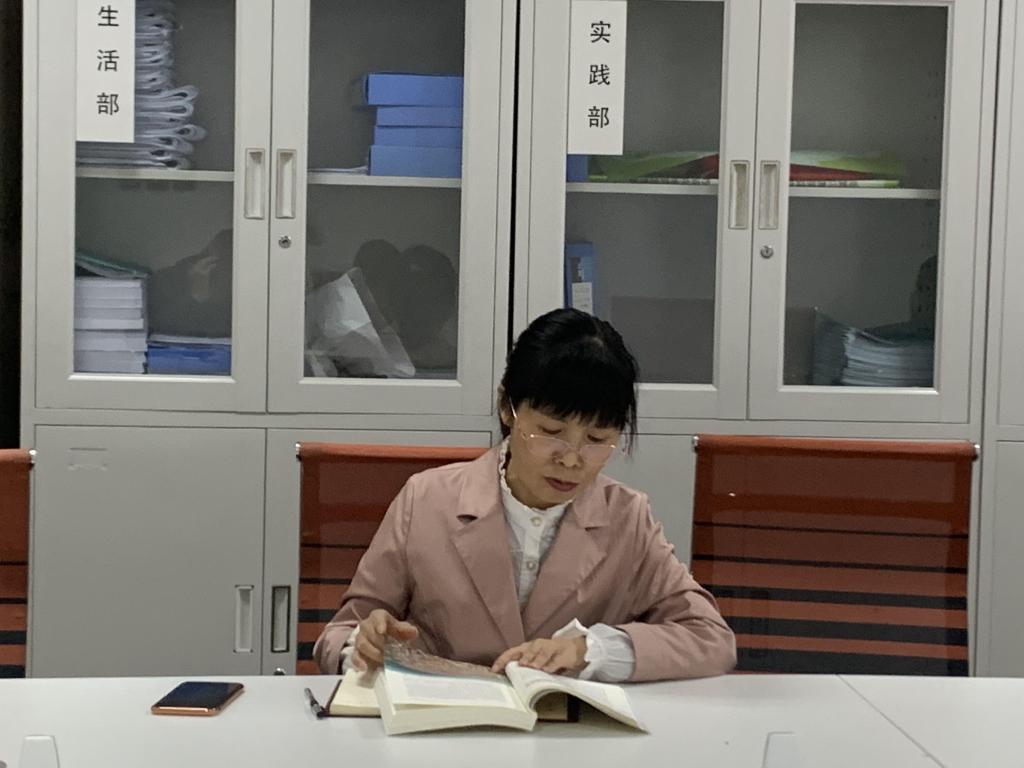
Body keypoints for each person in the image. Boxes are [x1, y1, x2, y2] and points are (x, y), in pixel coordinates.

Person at [313, 308, 736, 682]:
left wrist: (591, 650)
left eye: (597, 439)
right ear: (507, 407)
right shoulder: (426, 500)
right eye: (551, 432)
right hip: (443, 728)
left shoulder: (627, 518)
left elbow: (710, 638)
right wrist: (362, 646)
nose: (571, 459)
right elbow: (338, 634)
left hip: (569, 734)